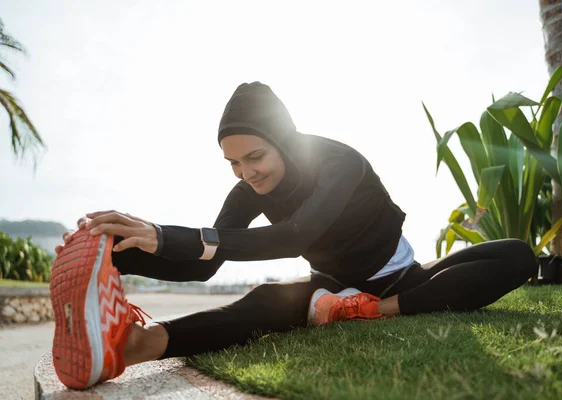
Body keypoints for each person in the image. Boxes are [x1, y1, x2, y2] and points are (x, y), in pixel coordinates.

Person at [50, 82, 537, 390]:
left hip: (401, 278)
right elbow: (206, 263)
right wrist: (118, 255)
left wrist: (169, 234)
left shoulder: (338, 162)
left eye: (255, 157)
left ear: (283, 140)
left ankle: (370, 310)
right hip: (327, 289)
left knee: (517, 256)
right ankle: (134, 345)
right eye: (234, 163)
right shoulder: (249, 188)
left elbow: (296, 233)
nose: (246, 173)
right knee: (266, 301)